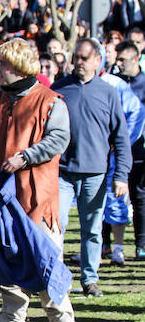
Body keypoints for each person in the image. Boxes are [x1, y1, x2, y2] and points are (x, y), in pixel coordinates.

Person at [0, 39, 80, 322]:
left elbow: (59, 138)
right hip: (4, 196)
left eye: (4, 64)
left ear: (19, 68)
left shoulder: (50, 100)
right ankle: (12, 318)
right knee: (6, 256)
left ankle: (61, 316)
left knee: (44, 254)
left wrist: (25, 157)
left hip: (39, 194)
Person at [52, 39, 132, 297]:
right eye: (76, 57)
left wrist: (121, 175)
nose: (79, 62)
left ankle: (89, 279)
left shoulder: (108, 92)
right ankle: (56, 276)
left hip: (95, 173)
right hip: (62, 172)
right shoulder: (59, 88)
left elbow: (120, 137)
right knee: (57, 226)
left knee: (92, 228)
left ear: (98, 60)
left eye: (85, 58)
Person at [114, 40, 145, 260]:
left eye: (122, 59)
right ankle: (107, 245)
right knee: (112, 196)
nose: (118, 63)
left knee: (139, 196)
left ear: (135, 59)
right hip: (116, 150)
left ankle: (141, 243)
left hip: (140, 149)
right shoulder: (114, 83)